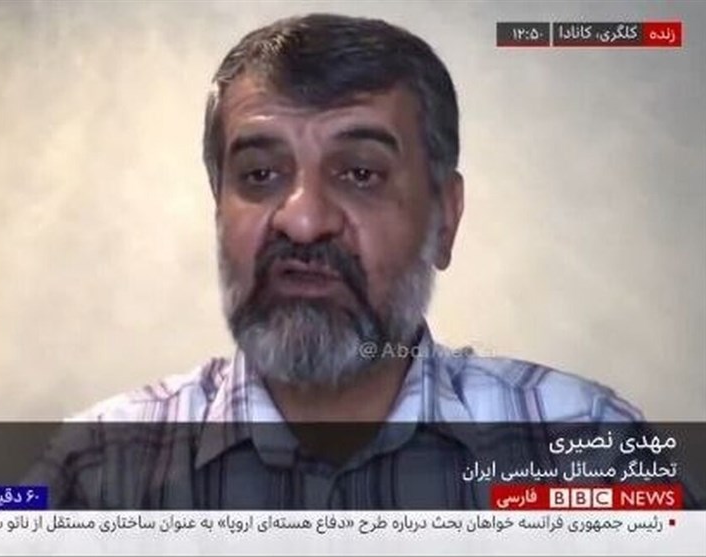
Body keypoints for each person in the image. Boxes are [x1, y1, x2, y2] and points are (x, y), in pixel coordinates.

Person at [31, 13, 646, 510]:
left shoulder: (589, 448)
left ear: (445, 218)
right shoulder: (98, 470)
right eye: (260, 174)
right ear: (218, 209)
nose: (303, 221)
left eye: (359, 173)